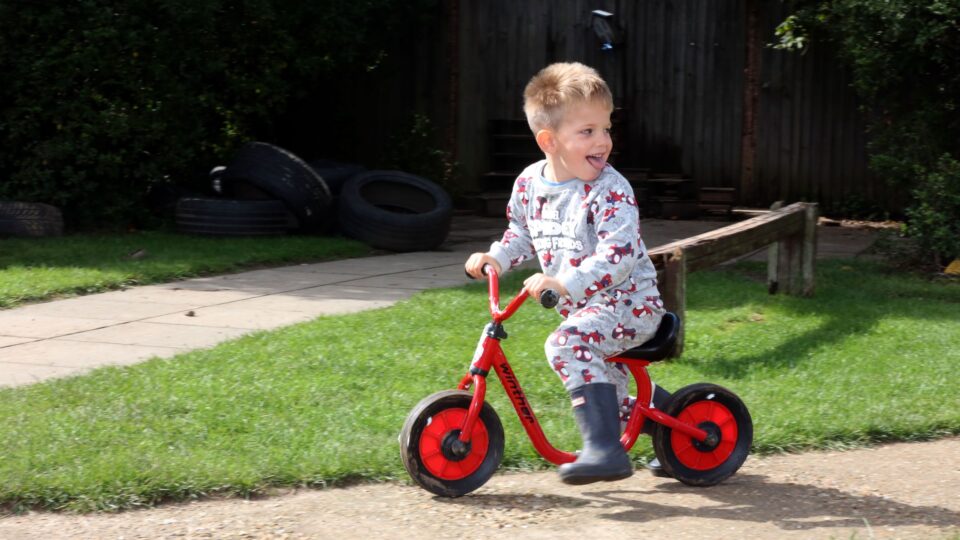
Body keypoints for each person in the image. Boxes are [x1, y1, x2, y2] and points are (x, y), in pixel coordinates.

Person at [466, 62, 671, 485]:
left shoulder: (612, 190)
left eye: (606, 129)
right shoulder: (528, 184)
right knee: (607, 393)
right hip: (586, 309)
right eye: (588, 132)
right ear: (549, 140)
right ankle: (674, 425)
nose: (604, 142)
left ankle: (605, 451)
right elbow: (521, 231)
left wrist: (563, 283)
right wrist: (496, 258)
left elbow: (619, 255)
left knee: (567, 344)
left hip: (630, 304)